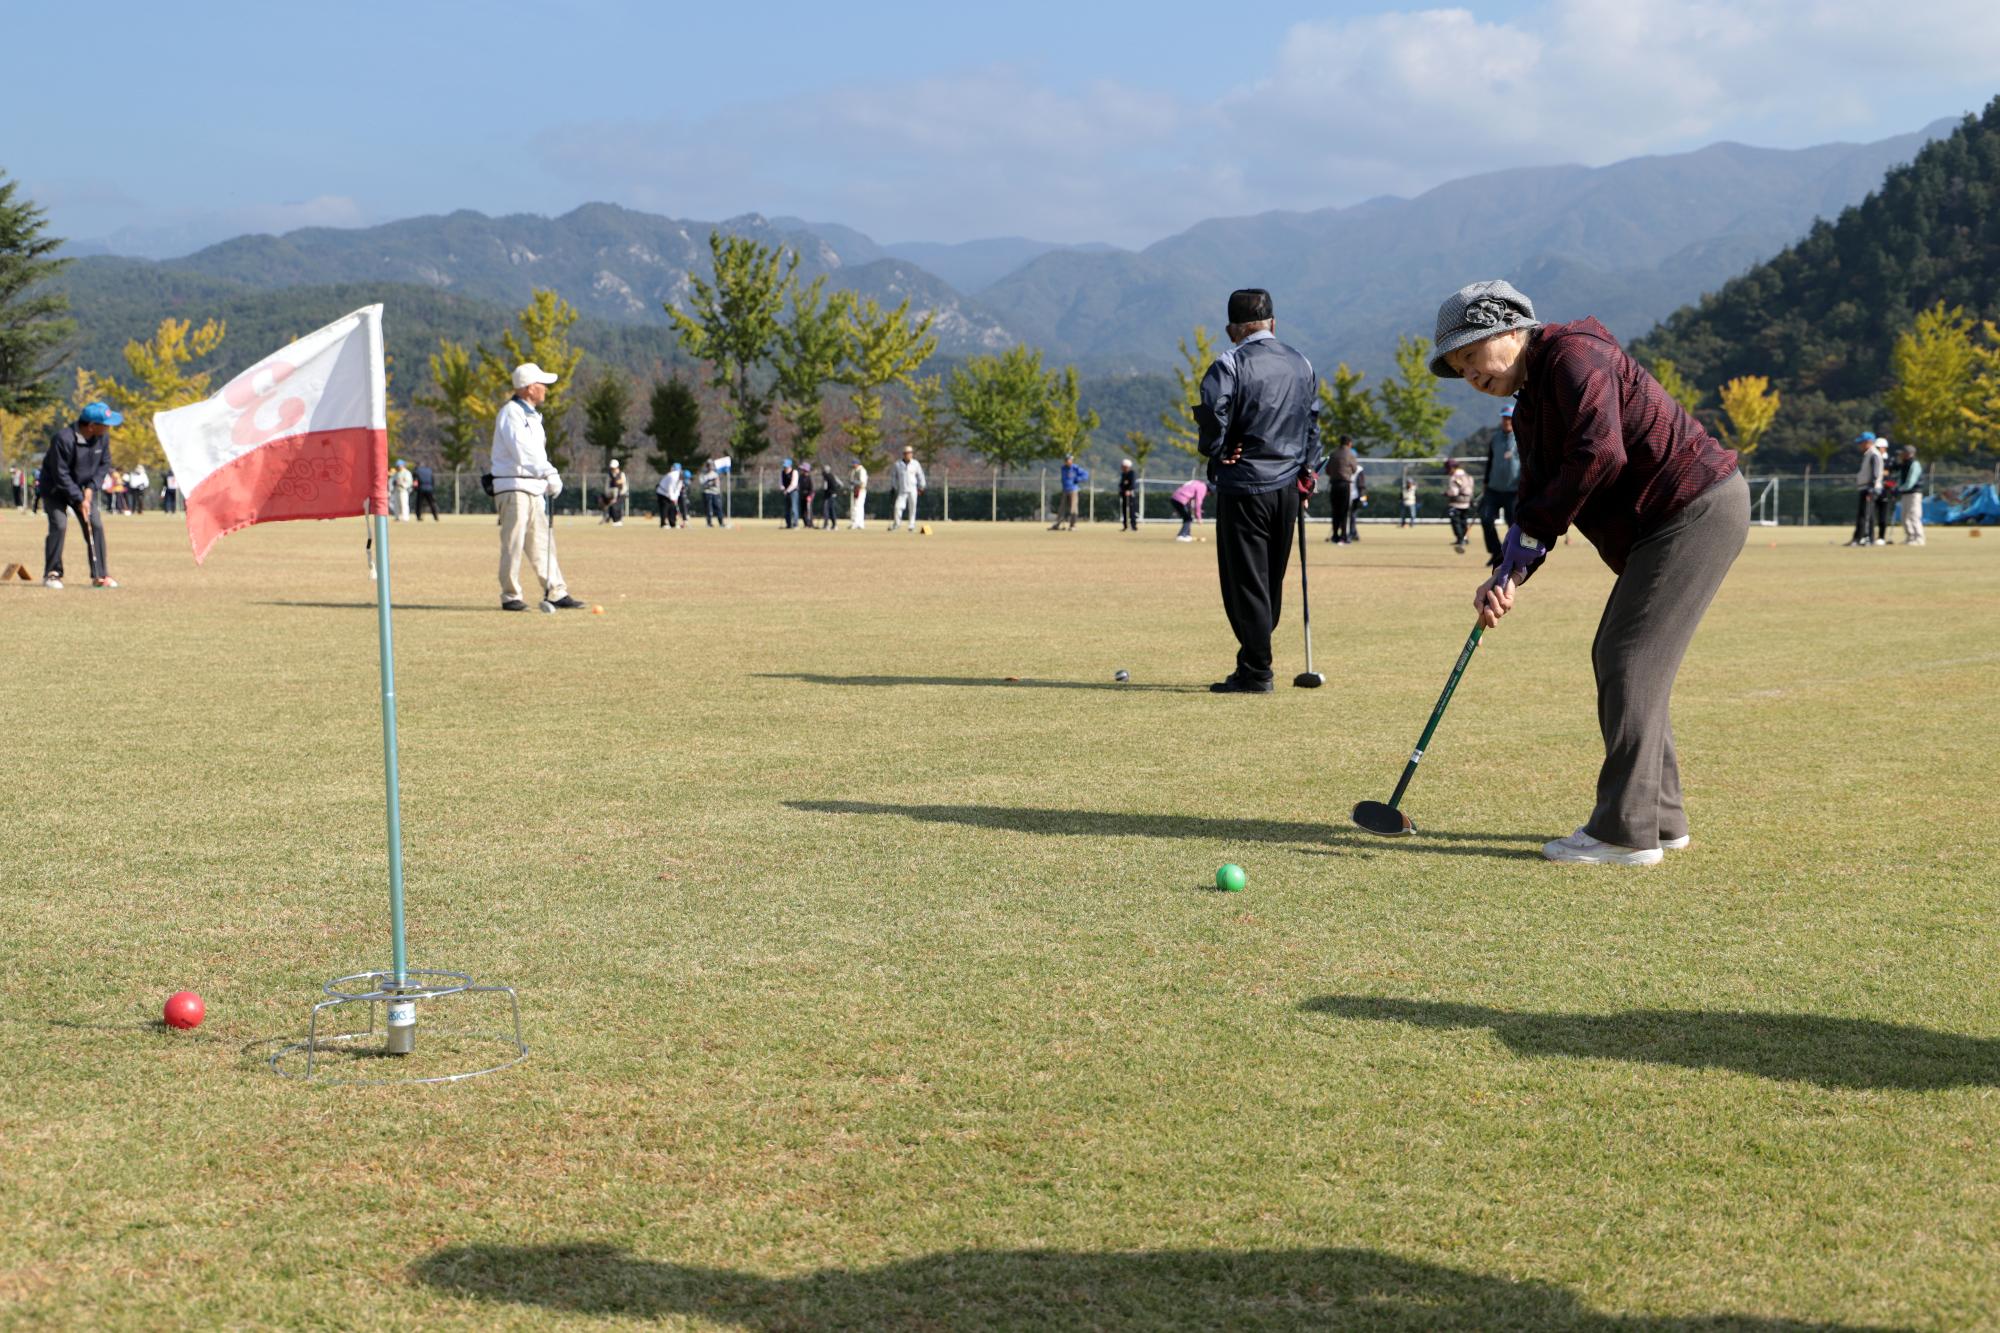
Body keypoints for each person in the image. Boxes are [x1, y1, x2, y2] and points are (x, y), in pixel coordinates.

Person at [1434, 278, 1746, 865]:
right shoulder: (1531, 406)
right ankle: (1662, 818)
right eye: (1462, 369)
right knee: (1629, 658)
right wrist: (1508, 574)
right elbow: (1535, 496)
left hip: (1694, 507)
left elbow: (1600, 453)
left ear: (1510, 329)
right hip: (1665, 524)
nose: (1473, 376)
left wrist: (1530, 542)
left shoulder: (1578, 355)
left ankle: (1625, 832)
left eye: (1474, 355)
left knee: (1626, 656)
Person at [1195, 288, 1322, 693]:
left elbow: (1213, 411)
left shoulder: (1229, 362)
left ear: (1233, 329)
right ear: (1272, 323)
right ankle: (1253, 660)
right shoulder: (1302, 362)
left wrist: (1216, 451)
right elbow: (1312, 423)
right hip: (1288, 486)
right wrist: (1308, 472)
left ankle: (1256, 670)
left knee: (1245, 579)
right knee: (1270, 579)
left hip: (1245, 484)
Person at [489, 363, 585, 612]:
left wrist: (544, 478)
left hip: (532, 488)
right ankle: (510, 595)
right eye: (542, 385)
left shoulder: (531, 415)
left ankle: (556, 590)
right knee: (514, 542)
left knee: (542, 541)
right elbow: (523, 451)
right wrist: (548, 471)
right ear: (530, 388)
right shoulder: (512, 413)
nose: (545, 389)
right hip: (514, 487)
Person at [39, 402, 121, 589]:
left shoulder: (102, 438)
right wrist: (79, 499)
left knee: (95, 524)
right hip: (55, 490)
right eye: (105, 424)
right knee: (59, 525)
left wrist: (90, 490)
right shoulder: (63, 439)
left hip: (84, 490)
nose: (109, 428)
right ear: (91, 425)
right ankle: (52, 574)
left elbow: (104, 465)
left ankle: (100, 574)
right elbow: (61, 475)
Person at [1480, 404, 1521, 567]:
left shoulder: (1522, 437)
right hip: (1493, 488)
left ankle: (1511, 555)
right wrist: (1485, 482)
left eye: (1510, 418)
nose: (1507, 421)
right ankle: (1496, 552)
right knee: (1485, 518)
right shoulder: (1495, 438)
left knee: (1513, 524)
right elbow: (1490, 461)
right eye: (1504, 417)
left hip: (1513, 491)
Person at [1847, 432, 1884, 546]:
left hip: (1870, 488)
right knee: (1865, 513)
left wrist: (1871, 488)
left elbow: (1875, 473)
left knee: (1866, 515)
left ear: (1868, 442)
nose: (1860, 445)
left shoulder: (1873, 454)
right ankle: (1862, 537)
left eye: (1861, 443)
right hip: (1866, 487)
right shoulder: (1868, 454)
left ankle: (1864, 538)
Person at [1325, 436, 1358, 543]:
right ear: (1349, 443)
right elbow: (1354, 469)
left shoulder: (1333, 454)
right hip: (1345, 485)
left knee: (1335, 511)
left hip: (1334, 485)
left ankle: (1335, 535)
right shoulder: (1350, 454)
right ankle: (1344, 535)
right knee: (1344, 511)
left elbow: (1328, 470)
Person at [1894, 444, 1925, 546]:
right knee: (1904, 516)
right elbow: (1901, 479)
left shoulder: (1914, 464)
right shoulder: (1904, 464)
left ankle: (1919, 538)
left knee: (1914, 515)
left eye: (1903, 453)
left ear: (1908, 454)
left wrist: (1900, 489)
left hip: (1914, 493)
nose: (1901, 455)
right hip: (1906, 493)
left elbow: (1911, 481)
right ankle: (1910, 537)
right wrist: (1898, 488)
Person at [890, 444, 925, 532]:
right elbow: (894, 477)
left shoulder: (915, 463)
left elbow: (920, 475)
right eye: (906, 453)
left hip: (913, 489)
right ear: (903, 454)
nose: (908, 454)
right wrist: (894, 487)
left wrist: (921, 486)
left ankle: (911, 525)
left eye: (910, 453)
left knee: (913, 508)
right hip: (902, 489)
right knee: (898, 507)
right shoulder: (898, 464)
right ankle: (896, 524)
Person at [1443, 458, 1474, 552]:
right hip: (1467, 502)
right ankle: (1465, 538)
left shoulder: (1454, 477)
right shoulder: (1468, 476)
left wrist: (1446, 493)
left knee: (1456, 522)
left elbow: (1454, 492)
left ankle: (1460, 539)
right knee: (1464, 521)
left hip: (1456, 503)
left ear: (1452, 468)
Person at [1050, 454, 1087, 531]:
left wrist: (1078, 479)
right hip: (1065, 490)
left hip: (1073, 490)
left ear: (1071, 461)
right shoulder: (1063, 468)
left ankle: (1073, 525)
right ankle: (1057, 524)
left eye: (1068, 460)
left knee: (1073, 508)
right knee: (1061, 508)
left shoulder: (1075, 468)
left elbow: (1085, 475)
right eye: (1066, 460)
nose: (1067, 461)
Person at [1169, 477, 1208, 541]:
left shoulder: (1195, 482)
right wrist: (1199, 518)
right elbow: (1198, 503)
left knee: (1187, 517)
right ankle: (1181, 535)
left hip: (1174, 497)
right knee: (1188, 518)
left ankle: (1187, 535)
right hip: (1181, 500)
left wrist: (1193, 509)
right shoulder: (1203, 487)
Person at [601, 459, 628, 526]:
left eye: (614, 468)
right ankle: (608, 518)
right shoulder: (609, 475)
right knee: (609, 506)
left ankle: (618, 521)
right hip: (611, 494)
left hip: (621, 494)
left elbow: (623, 485)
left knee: (616, 506)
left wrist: (617, 495)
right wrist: (608, 495)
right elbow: (607, 487)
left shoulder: (621, 474)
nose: (613, 469)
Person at [699, 460, 725, 527]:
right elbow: (703, 485)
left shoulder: (715, 474)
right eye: (708, 465)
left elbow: (717, 484)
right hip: (707, 493)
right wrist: (710, 483)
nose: (710, 467)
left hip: (715, 493)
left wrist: (713, 483)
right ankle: (709, 523)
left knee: (718, 508)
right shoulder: (703, 474)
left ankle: (721, 523)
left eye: (711, 465)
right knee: (708, 509)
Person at [656, 463, 683, 528]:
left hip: (669, 494)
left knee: (673, 508)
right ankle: (663, 524)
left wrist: (676, 498)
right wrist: (672, 498)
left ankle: (672, 523)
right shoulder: (672, 476)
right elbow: (670, 488)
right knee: (665, 508)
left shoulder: (681, 478)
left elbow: (678, 490)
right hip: (662, 493)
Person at [1347, 461, 1366, 542]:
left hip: (1355, 496)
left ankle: (1352, 533)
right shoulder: (1347, 469)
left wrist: (1363, 498)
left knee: (1352, 516)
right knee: (1351, 516)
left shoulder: (1359, 470)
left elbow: (1361, 485)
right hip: (1348, 495)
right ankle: (1353, 533)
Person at [1118, 458, 1139, 531]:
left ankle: (1133, 526)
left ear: (1127, 466)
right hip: (1124, 494)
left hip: (1130, 495)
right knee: (1124, 510)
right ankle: (1125, 526)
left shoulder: (1132, 473)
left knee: (1131, 511)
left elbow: (1133, 483)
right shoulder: (1123, 474)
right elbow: (1122, 484)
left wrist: (1129, 490)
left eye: (1123, 466)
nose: (1121, 467)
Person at [779, 458, 800, 529]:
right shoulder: (782, 472)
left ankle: (795, 524)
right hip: (786, 492)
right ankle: (788, 524)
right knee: (786, 509)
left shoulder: (795, 472)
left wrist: (787, 491)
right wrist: (782, 488)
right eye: (784, 466)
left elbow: (794, 484)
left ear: (790, 466)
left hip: (793, 492)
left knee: (794, 508)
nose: (785, 468)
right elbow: (781, 482)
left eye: (786, 466)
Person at [848, 459, 869, 530]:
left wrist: (854, 482)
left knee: (857, 507)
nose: (853, 465)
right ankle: (859, 523)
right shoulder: (854, 470)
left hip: (860, 491)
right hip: (855, 490)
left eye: (854, 464)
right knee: (856, 507)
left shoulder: (861, 470)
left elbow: (862, 482)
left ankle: (856, 523)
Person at [798, 461, 816, 528]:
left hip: (809, 495)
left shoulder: (810, 478)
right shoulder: (801, 477)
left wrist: (810, 496)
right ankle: (805, 523)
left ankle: (810, 524)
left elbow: (812, 488)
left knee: (809, 510)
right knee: (803, 510)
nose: (802, 470)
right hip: (802, 495)